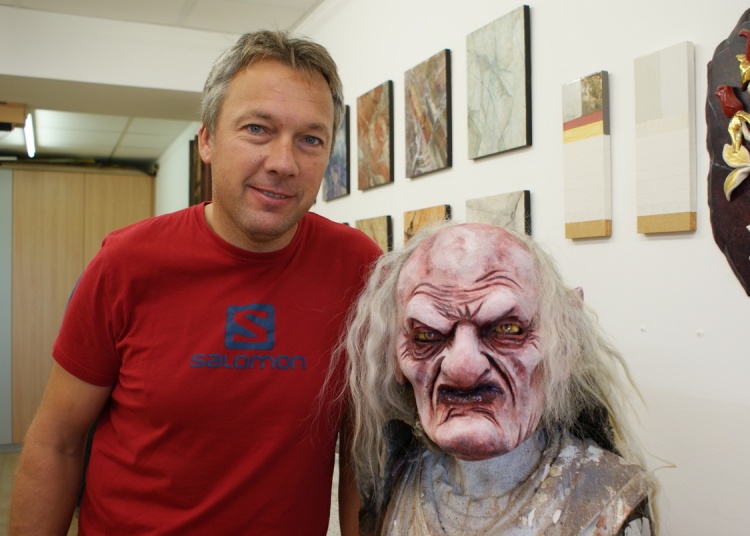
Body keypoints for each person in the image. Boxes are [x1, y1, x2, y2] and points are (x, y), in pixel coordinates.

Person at [9, 29, 381, 535]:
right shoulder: (126, 264)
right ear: (207, 140)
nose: (283, 163)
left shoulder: (358, 268)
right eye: (257, 129)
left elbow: (364, 454)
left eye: (310, 139)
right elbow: (57, 442)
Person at [343, 222, 656, 535]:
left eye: (507, 329)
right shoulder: (393, 477)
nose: (463, 367)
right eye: (427, 335)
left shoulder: (609, 499)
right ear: (394, 354)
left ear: (563, 345)